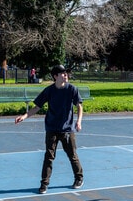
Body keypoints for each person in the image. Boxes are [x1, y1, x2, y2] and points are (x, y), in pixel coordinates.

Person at [15, 64, 84, 194]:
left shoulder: (72, 90)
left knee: (72, 155)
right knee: (49, 157)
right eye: (63, 74)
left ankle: (79, 178)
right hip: (52, 128)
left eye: (66, 74)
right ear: (55, 76)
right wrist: (24, 116)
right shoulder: (49, 91)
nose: (66, 76)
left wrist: (79, 122)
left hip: (67, 129)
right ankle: (44, 184)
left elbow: (79, 106)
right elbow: (37, 107)